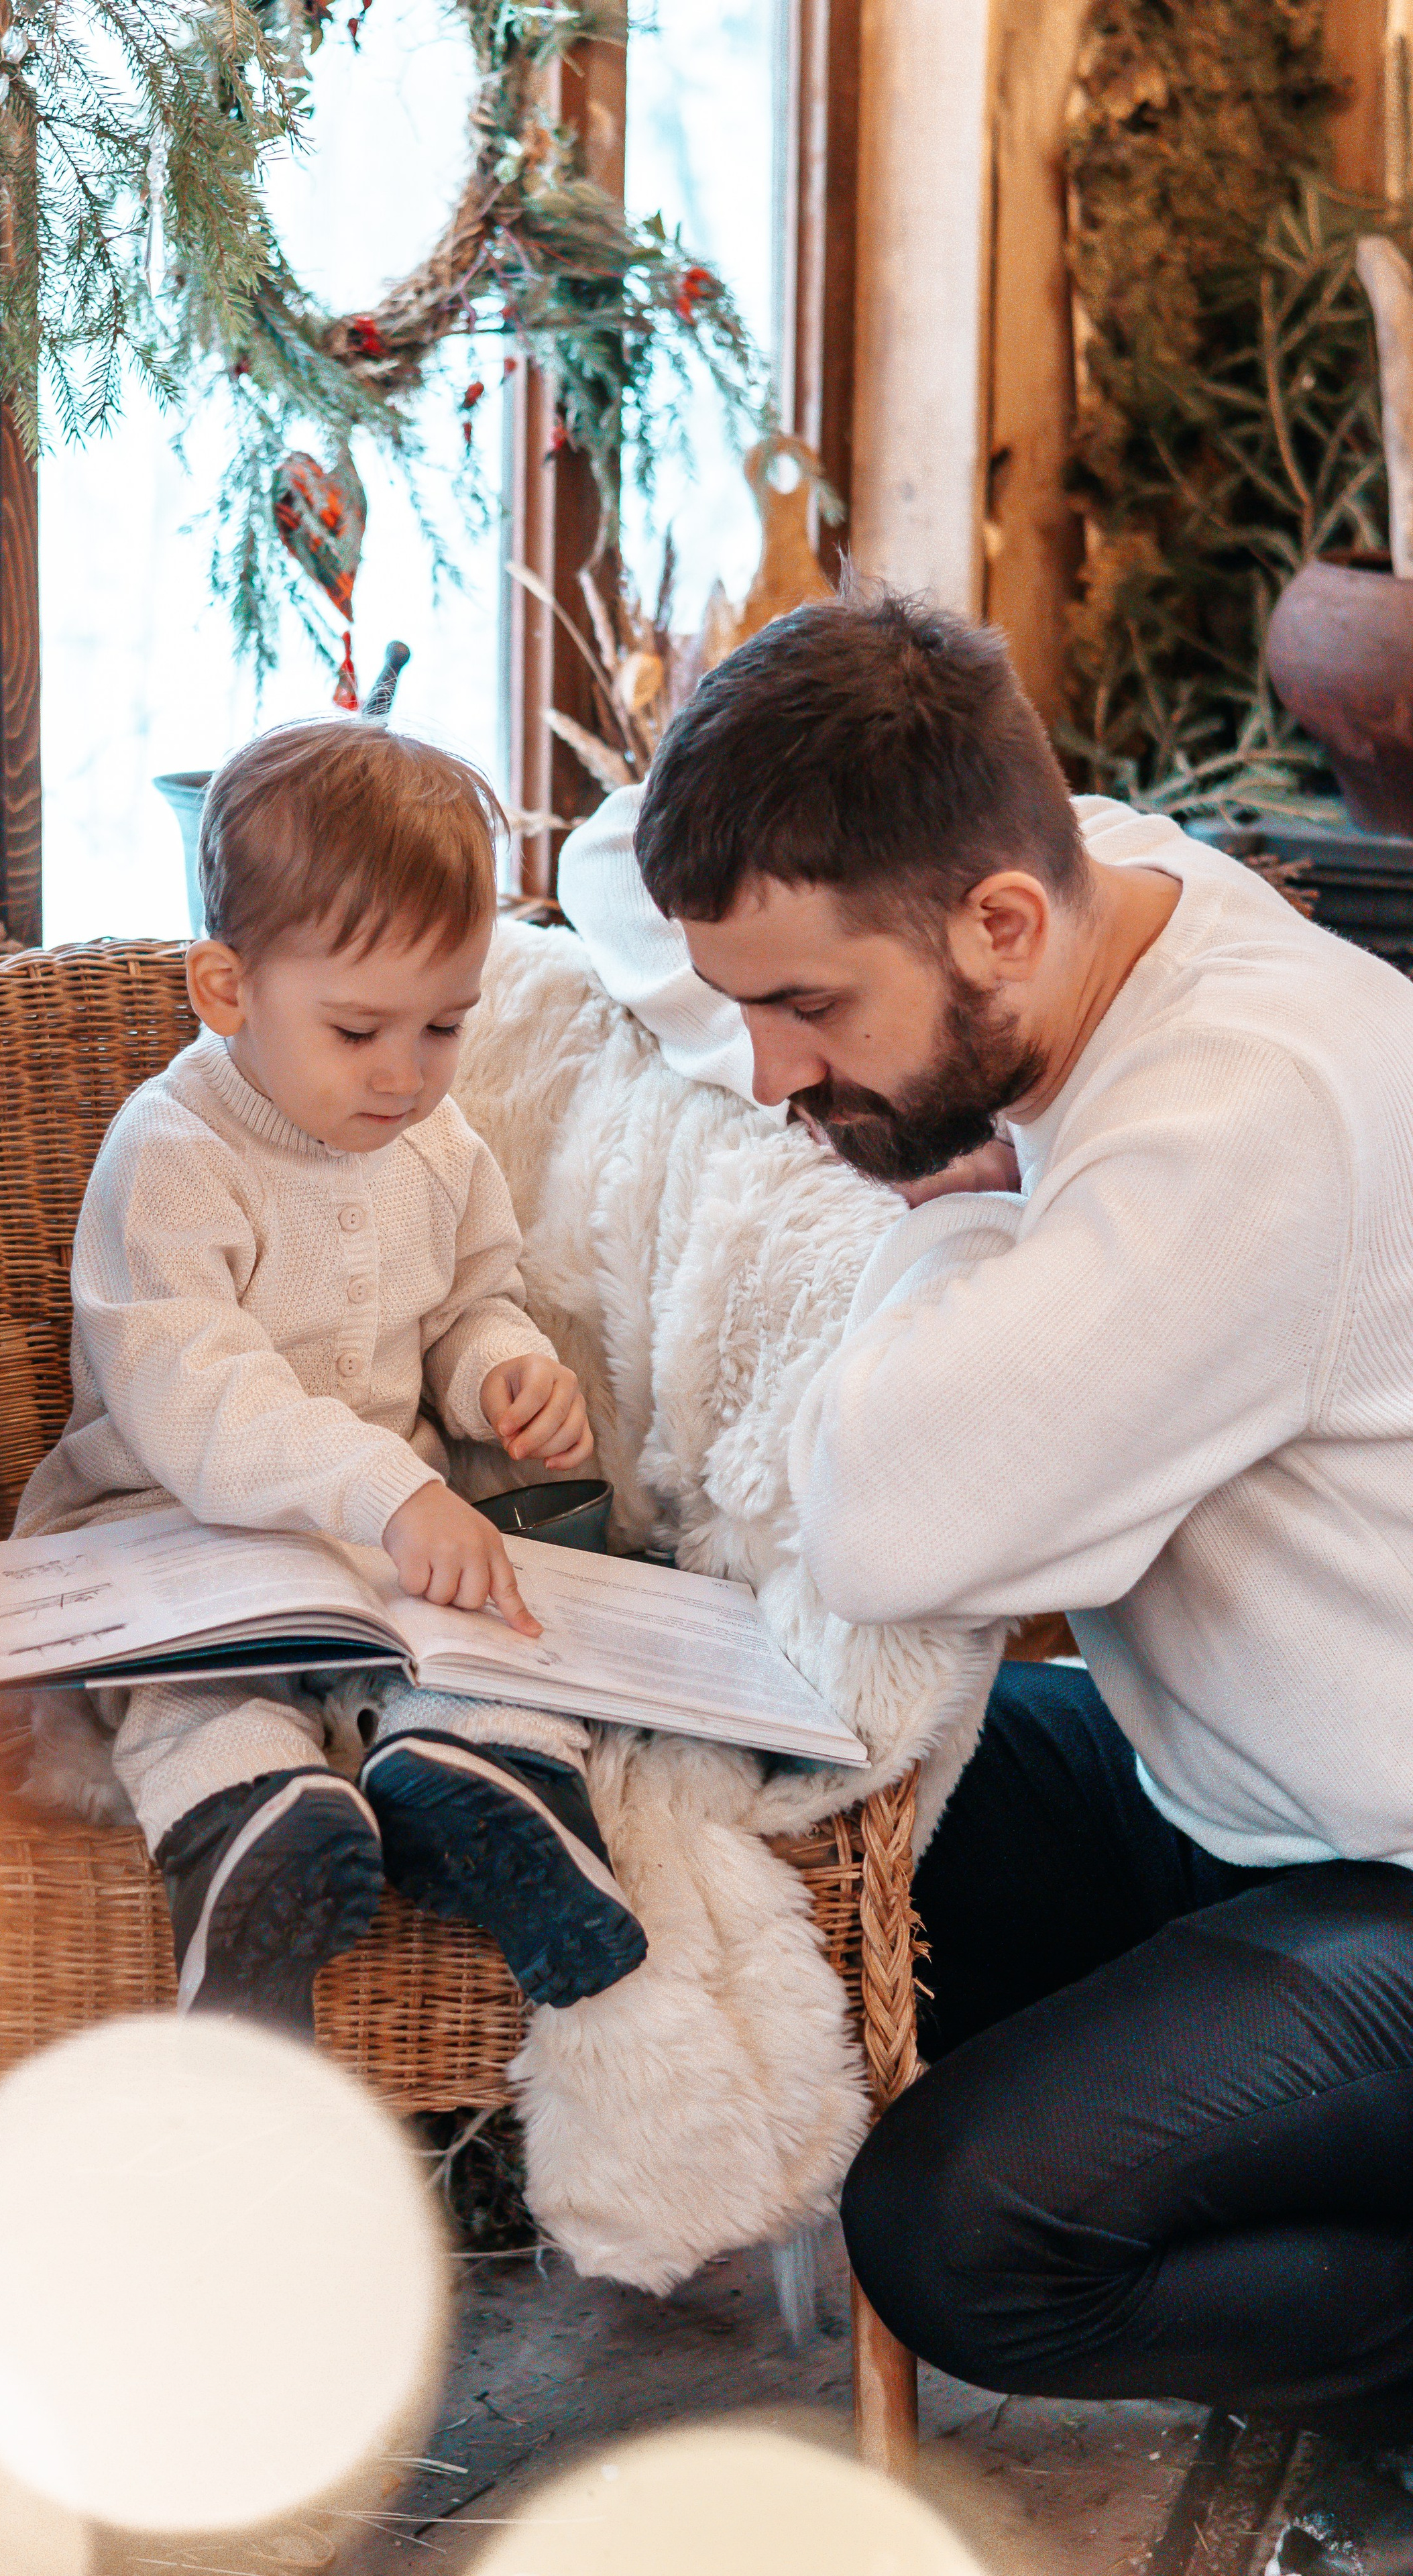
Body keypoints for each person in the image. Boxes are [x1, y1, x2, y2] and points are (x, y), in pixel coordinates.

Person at [560, 585, 1413, 2562]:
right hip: (1221, 1783)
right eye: (751, 1010)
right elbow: (617, 863)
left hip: (1387, 1869)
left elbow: (887, 1519)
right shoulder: (1096, 876)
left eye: (810, 1015)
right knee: (777, 1853)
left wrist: (964, 1216)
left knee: (962, 2231)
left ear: (1000, 931)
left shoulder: (1244, 1122)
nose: (770, 1074)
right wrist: (843, 1038)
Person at [16, 720, 647, 2031]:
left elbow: (471, 1300)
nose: (404, 1074)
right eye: (358, 1029)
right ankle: (255, 1849)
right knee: (206, 1693)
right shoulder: (176, 1151)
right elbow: (197, 1391)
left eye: (443, 1026)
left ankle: (481, 1796)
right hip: (169, 1531)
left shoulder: (435, 1142)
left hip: (370, 1547)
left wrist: (502, 1375)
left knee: (487, 1641)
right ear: (227, 990)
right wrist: (384, 1488)